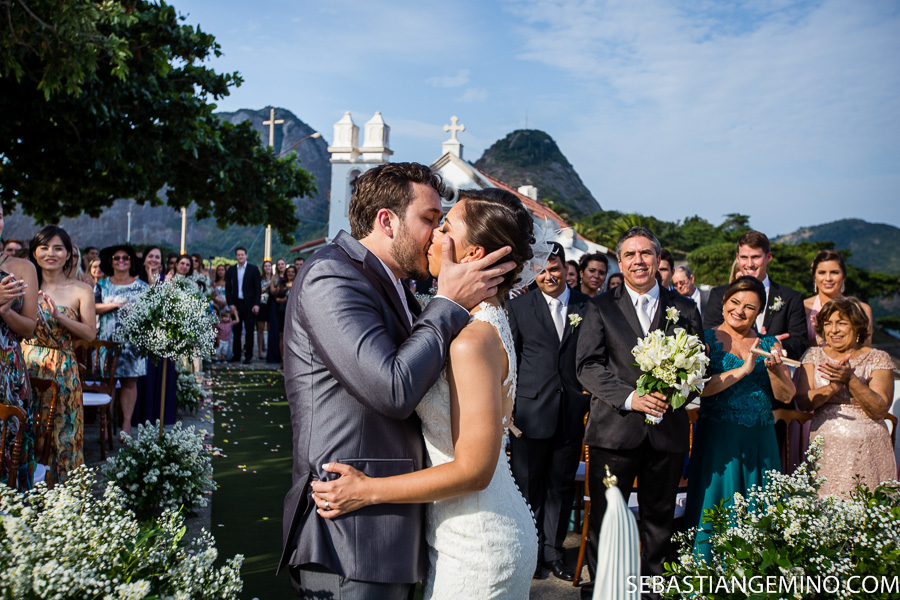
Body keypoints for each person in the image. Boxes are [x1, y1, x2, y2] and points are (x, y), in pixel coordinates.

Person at [278, 163, 517, 599]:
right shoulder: (332, 276)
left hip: (405, 523)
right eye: (429, 219)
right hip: (350, 530)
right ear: (386, 220)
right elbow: (392, 390)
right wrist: (446, 303)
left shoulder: (402, 287)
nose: (436, 235)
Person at [575, 226, 702, 598]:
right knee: (607, 519)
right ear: (620, 261)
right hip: (614, 433)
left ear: (658, 259)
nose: (638, 261)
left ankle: (651, 591)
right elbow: (587, 365)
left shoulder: (684, 308)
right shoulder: (599, 307)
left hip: (667, 432)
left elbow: (699, 365)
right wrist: (633, 398)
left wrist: (672, 393)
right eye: (630, 255)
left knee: (659, 522)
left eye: (646, 253)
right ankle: (606, 589)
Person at [684, 276, 794, 559]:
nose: (740, 310)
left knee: (760, 509)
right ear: (723, 302)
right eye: (735, 302)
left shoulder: (768, 343)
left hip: (760, 441)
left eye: (750, 307)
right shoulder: (704, 340)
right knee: (716, 506)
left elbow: (785, 395)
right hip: (718, 441)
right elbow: (702, 390)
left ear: (759, 312)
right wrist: (745, 369)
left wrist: (774, 369)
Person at [507, 242, 591, 581]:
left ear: (566, 268)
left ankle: (554, 553)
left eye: (553, 267)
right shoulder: (519, 308)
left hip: (572, 411)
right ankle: (530, 552)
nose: (547, 275)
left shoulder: (588, 307)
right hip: (529, 413)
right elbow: (510, 361)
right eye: (540, 269)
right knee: (529, 487)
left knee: (560, 486)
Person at [795, 297, 895, 497]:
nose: (834, 330)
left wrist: (851, 379)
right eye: (828, 324)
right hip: (826, 448)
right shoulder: (813, 355)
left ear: (857, 327)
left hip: (868, 449)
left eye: (841, 323)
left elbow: (879, 408)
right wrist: (833, 387)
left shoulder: (878, 357)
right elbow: (803, 402)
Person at [22, 226, 96, 485]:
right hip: (26, 368)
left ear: (68, 255)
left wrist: (61, 317)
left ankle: (67, 503)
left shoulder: (81, 290)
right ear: (34, 253)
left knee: (64, 435)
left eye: (58, 248)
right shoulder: (22, 286)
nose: (50, 253)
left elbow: (89, 334)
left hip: (62, 369)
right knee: (28, 432)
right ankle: (24, 497)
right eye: (44, 247)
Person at [703, 231, 807, 360]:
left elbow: (800, 342)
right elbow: (709, 335)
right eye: (744, 257)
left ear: (768, 257)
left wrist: (776, 345)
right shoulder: (719, 294)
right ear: (737, 258)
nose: (749, 264)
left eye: (755, 257)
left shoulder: (791, 297)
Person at [0, 205, 38, 489]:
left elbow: (29, 328)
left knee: (9, 445)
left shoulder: (22, 267)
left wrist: (4, 311)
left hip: (7, 371)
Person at [95, 245, 149, 435]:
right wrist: (115, 305)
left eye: (125, 258)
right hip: (106, 342)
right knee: (107, 383)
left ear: (131, 261)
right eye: (116, 258)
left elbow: (150, 314)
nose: (121, 261)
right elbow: (92, 307)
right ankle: (107, 425)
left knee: (130, 383)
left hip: (133, 344)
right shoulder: (101, 285)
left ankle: (126, 424)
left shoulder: (142, 286)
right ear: (110, 262)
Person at [804, 249, 873, 346]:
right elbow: (799, 348)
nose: (828, 278)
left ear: (843, 276)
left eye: (834, 272)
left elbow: (865, 350)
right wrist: (819, 336)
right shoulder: (804, 307)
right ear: (814, 276)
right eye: (822, 272)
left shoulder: (862, 309)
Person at [225, 247, 261, 364]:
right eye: (238, 255)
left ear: (246, 256)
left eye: (242, 255)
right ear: (236, 256)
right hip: (236, 304)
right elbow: (228, 289)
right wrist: (230, 304)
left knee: (249, 331)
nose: (240, 257)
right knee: (237, 330)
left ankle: (248, 356)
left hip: (250, 304)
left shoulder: (253, 269)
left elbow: (258, 289)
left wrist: (256, 304)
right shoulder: (231, 270)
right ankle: (236, 355)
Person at [274, 265, 296, 358]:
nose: (290, 273)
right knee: (282, 335)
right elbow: (276, 298)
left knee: (293, 336)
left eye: (292, 272)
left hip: (294, 313)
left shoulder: (298, 283)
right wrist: (282, 300)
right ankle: (283, 360)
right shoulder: (281, 284)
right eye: (289, 272)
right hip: (282, 311)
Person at [257, 260, 273, 358]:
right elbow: (259, 291)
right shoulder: (260, 279)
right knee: (260, 329)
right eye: (265, 266)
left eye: (269, 266)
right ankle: (259, 351)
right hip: (262, 304)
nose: (267, 268)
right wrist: (268, 285)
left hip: (271, 305)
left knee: (270, 329)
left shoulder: (275, 278)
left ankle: (269, 351)